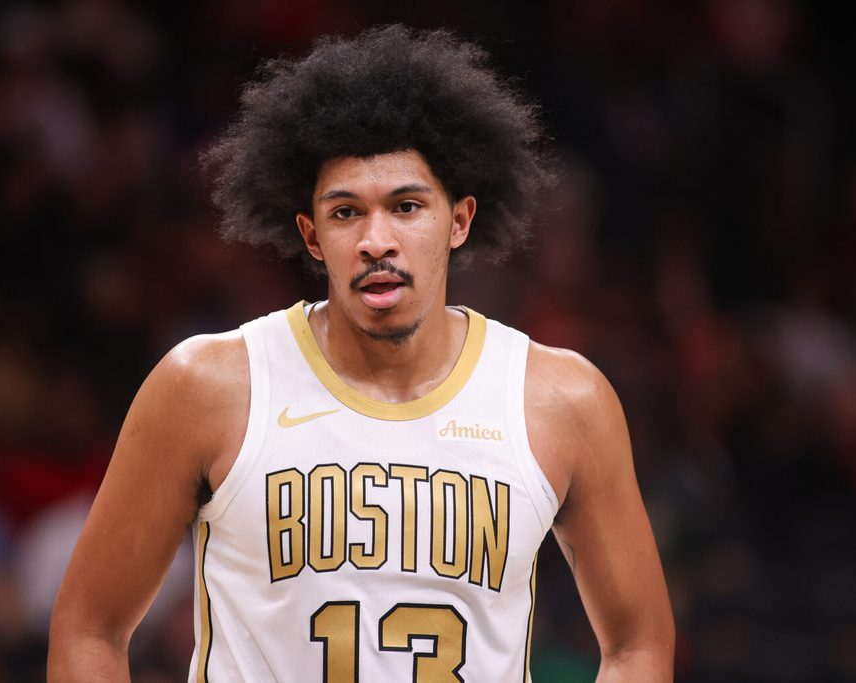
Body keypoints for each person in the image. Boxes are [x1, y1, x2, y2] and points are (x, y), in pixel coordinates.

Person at [48, 25, 675, 682]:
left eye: (406, 205)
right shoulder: (206, 385)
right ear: (311, 235)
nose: (377, 239)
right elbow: (90, 627)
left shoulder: (563, 400)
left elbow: (638, 644)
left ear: (458, 221)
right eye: (346, 213)